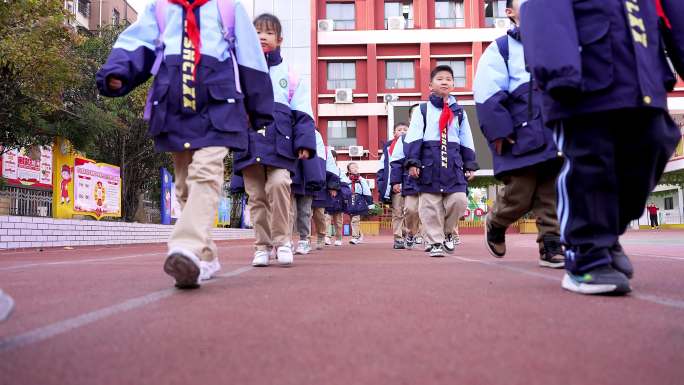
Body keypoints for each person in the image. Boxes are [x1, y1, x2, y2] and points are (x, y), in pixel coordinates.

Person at [97, 0, 273, 288]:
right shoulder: (161, 9)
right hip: (175, 105)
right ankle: (204, 257)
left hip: (219, 104)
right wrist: (118, 72)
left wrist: (259, 107)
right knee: (184, 186)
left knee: (206, 172)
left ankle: (186, 246)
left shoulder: (228, 8)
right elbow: (138, 42)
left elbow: (250, 57)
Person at [521, 0, 683, 294]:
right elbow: (544, 9)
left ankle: (606, 235)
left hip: (642, 81)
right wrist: (559, 70)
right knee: (591, 165)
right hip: (582, 80)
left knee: (655, 144)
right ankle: (586, 255)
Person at [474, 0, 564, 269]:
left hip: (554, 132)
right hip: (518, 134)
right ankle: (497, 221)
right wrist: (500, 131)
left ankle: (551, 244)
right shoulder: (502, 49)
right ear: (510, 13)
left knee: (552, 191)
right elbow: (487, 93)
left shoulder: (559, 44)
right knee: (521, 192)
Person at [233, 14, 316, 268]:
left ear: (279, 39)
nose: (261, 37)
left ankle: (282, 242)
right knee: (256, 197)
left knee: (280, 184)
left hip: (281, 144)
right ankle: (261, 246)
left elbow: (303, 113)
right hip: (249, 144)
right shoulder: (239, 71)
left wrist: (304, 143)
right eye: (256, 32)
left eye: (268, 33)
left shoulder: (290, 75)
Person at [396, 65, 479, 257]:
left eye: (449, 79)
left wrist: (470, 164)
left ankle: (448, 233)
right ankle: (434, 243)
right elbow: (414, 137)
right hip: (429, 163)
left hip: (453, 163)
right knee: (429, 206)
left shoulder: (459, 111)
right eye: (440, 78)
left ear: (453, 85)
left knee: (459, 201)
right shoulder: (422, 110)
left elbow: (467, 138)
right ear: (430, 85)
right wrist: (413, 162)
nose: (444, 81)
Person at [290, 130, 326, 255]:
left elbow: (321, 157)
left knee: (305, 211)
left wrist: (317, 176)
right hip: (291, 172)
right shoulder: (287, 125)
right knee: (288, 210)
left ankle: (304, 240)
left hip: (308, 176)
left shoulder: (314, 133)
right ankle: (286, 241)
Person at [377, 122, 409, 249]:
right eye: (399, 130)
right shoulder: (388, 149)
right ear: (394, 133)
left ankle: (411, 234)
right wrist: (385, 185)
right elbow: (382, 169)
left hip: (411, 183)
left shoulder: (413, 145)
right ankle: (398, 238)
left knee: (412, 211)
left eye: (405, 129)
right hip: (396, 185)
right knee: (397, 212)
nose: (402, 131)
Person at [312, 145, 343, 250]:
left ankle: (321, 235)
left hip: (321, 187)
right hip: (306, 184)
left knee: (319, 214)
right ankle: (305, 239)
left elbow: (331, 170)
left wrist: (333, 187)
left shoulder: (324, 150)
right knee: (305, 213)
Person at [325, 151, 351, 246]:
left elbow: (346, 183)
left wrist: (337, 187)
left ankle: (338, 237)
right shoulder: (324, 169)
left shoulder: (340, 171)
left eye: (334, 157)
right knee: (326, 218)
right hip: (327, 197)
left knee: (338, 220)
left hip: (338, 199)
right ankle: (326, 237)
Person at [346, 162, 374, 244]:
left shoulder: (361, 180)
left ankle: (355, 237)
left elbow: (366, 191)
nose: (355, 169)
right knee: (353, 219)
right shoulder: (346, 180)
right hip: (350, 200)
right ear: (349, 170)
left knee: (355, 219)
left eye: (356, 167)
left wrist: (370, 203)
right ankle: (359, 235)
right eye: (352, 167)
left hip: (359, 201)